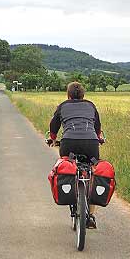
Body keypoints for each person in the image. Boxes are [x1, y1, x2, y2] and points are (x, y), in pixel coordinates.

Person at [47, 81, 105, 228]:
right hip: (91, 144)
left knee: (67, 166)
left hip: (69, 143)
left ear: (68, 95)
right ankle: (90, 215)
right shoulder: (91, 105)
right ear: (83, 95)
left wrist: (53, 139)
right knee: (93, 172)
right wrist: (98, 138)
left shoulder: (63, 106)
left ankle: (71, 194)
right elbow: (97, 126)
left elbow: (54, 125)